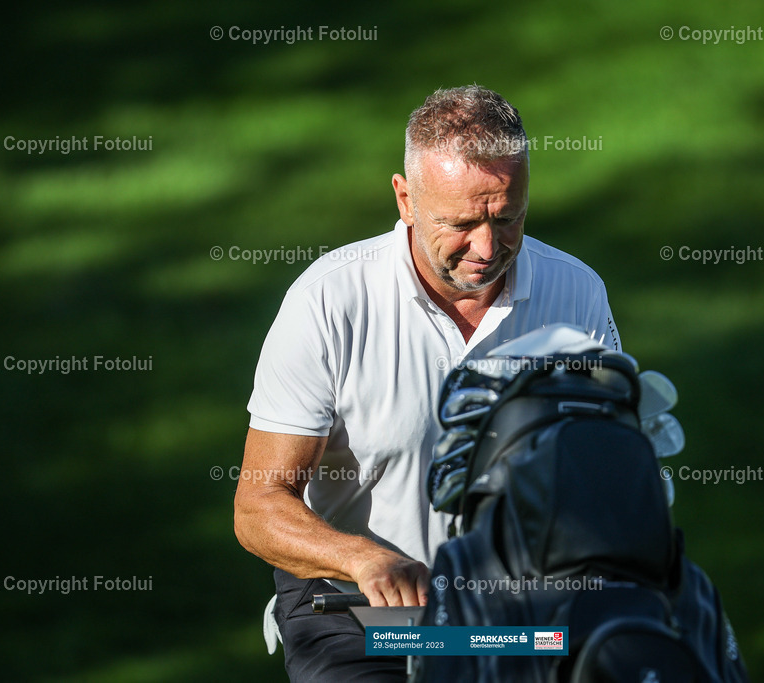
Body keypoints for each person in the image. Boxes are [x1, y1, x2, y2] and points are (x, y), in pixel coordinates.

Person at [234, 84, 621, 682]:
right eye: (461, 223)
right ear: (406, 198)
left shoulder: (578, 293)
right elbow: (258, 508)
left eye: (507, 217)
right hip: (353, 616)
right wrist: (364, 559)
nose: (487, 248)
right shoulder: (329, 301)